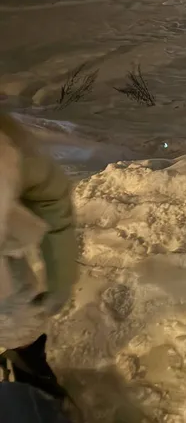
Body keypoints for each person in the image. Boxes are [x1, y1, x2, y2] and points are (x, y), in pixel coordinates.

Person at [0, 113, 78, 417]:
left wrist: (61, 278)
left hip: (6, 264)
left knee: (16, 313)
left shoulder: (14, 150)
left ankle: (27, 363)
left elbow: (51, 200)